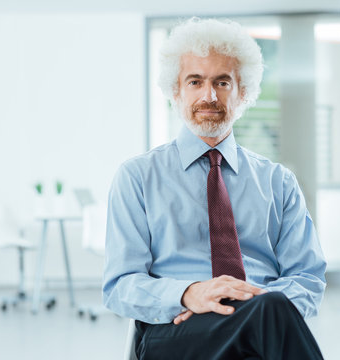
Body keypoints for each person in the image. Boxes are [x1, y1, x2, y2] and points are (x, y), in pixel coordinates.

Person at [103, 17, 326, 360]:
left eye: (223, 82)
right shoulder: (137, 177)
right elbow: (120, 286)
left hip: (264, 325)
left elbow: (307, 278)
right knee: (270, 313)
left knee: (271, 310)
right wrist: (189, 293)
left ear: (244, 93)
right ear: (176, 91)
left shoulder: (278, 182)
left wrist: (248, 305)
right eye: (195, 81)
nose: (209, 95)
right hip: (176, 328)